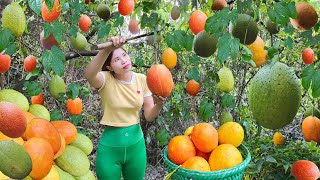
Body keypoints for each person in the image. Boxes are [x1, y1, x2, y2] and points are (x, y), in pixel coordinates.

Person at [84, 36, 166, 180]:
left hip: (136, 146)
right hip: (110, 148)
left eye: (124, 55)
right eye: (116, 60)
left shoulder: (142, 79)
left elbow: (148, 116)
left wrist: (159, 104)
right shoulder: (105, 79)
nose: (124, 60)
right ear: (109, 67)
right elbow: (89, 75)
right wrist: (107, 50)